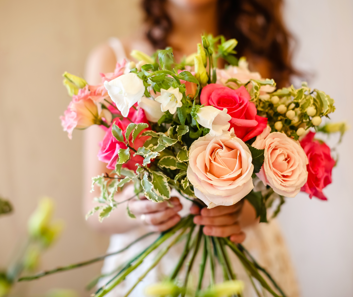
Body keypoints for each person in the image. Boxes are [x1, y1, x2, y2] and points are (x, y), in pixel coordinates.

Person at [84, 0, 300, 295]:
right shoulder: (111, 58)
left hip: (242, 252)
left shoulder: (258, 60)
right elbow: (94, 208)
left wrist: (240, 212)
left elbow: (272, 186)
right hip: (152, 267)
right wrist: (136, 208)